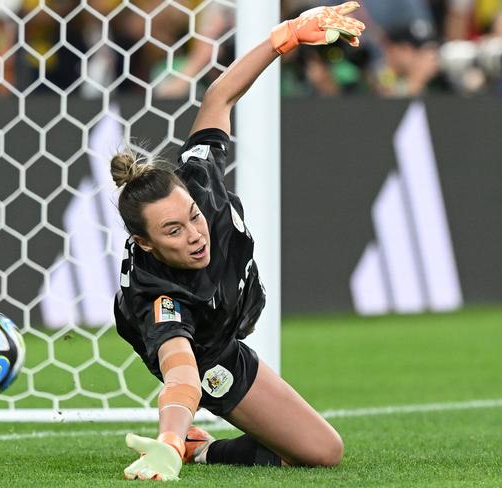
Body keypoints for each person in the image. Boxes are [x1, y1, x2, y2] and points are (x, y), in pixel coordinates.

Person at [110, 2, 365, 481]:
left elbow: (220, 96)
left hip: (232, 308)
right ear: (143, 243)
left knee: (316, 449)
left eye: (190, 218)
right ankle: (191, 447)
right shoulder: (159, 296)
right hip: (211, 350)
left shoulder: (199, 179)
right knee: (321, 452)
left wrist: (285, 36)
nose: (194, 235)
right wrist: (168, 438)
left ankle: (195, 446)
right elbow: (181, 372)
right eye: (172, 232)